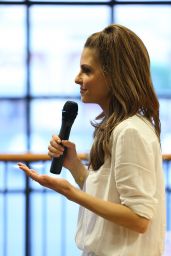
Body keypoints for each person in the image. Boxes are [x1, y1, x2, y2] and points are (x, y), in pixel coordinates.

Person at [18, 24, 166, 256]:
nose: (78, 79)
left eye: (87, 71)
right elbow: (111, 198)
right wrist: (75, 167)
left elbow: (139, 219)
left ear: (114, 75)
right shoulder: (113, 128)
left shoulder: (130, 131)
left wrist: (71, 192)